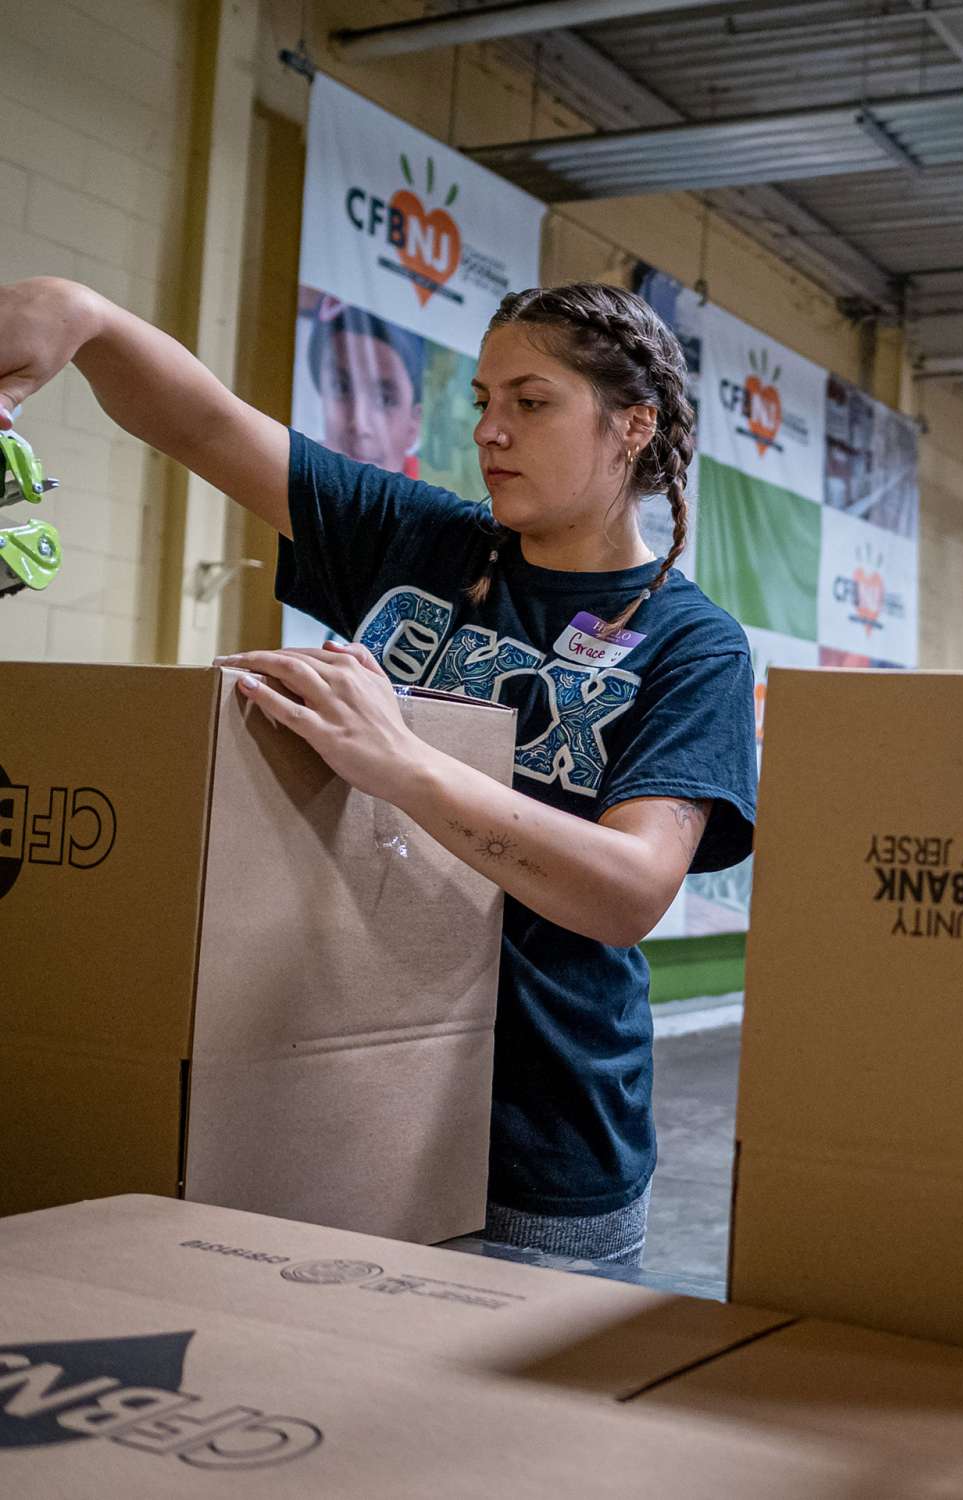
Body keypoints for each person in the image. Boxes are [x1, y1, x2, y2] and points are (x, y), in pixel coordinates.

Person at [0, 275, 758, 1262]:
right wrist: (83, 317)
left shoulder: (690, 645)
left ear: (631, 426)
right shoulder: (419, 544)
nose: (491, 430)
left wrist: (402, 762)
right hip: (338, 1105)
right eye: (483, 401)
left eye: (530, 403)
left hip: (534, 1154)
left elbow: (626, 892)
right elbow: (201, 426)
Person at [305, 296, 428, 476]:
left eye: (385, 399)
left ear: (414, 426)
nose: (359, 424)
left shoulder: (436, 498)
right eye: (340, 387)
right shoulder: (292, 475)